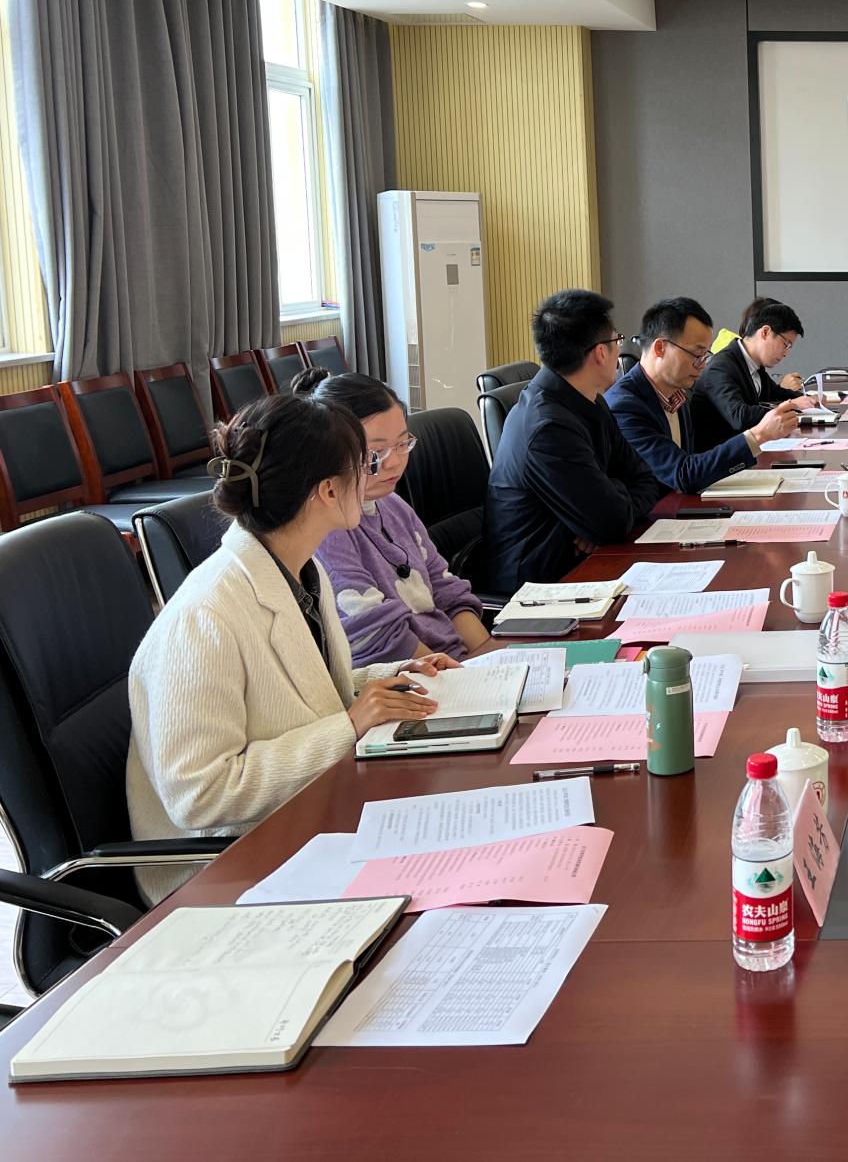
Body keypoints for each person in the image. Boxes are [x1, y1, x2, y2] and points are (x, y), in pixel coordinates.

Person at [126, 393, 451, 902]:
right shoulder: (202, 617)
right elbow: (199, 795)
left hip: (307, 816)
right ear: (328, 490)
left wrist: (390, 674)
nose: (373, 475)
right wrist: (350, 725)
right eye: (363, 465)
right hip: (227, 866)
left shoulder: (300, 567)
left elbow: (300, 688)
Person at [294, 368, 498, 667]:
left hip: (457, 667)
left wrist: (491, 657)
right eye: (376, 453)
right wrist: (463, 677)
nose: (396, 463)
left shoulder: (392, 504)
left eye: (403, 444)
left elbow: (445, 589)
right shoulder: (327, 527)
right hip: (410, 675)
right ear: (331, 452)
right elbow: (377, 635)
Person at [485, 289, 665, 591]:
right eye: (617, 341)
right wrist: (602, 515)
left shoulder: (592, 402)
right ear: (601, 352)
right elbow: (612, 522)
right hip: (539, 586)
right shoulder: (548, 428)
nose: (619, 350)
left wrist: (601, 511)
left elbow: (645, 479)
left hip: (581, 564)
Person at [607, 296, 799, 492]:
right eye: (696, 355)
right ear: (660, 348)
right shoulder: (625, 406)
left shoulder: (677, 395)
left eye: (705, 355)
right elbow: (681, 474)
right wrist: (758, 435)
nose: (702, 364)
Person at [698, 297, 820, 433]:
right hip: (723, 444)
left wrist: (811, 399)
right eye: (786, 345)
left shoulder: (754, 365)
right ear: (765, 332)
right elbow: (739, 416)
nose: (786, 353)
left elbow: (777, 394)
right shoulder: (721, 366)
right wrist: (793, 405)